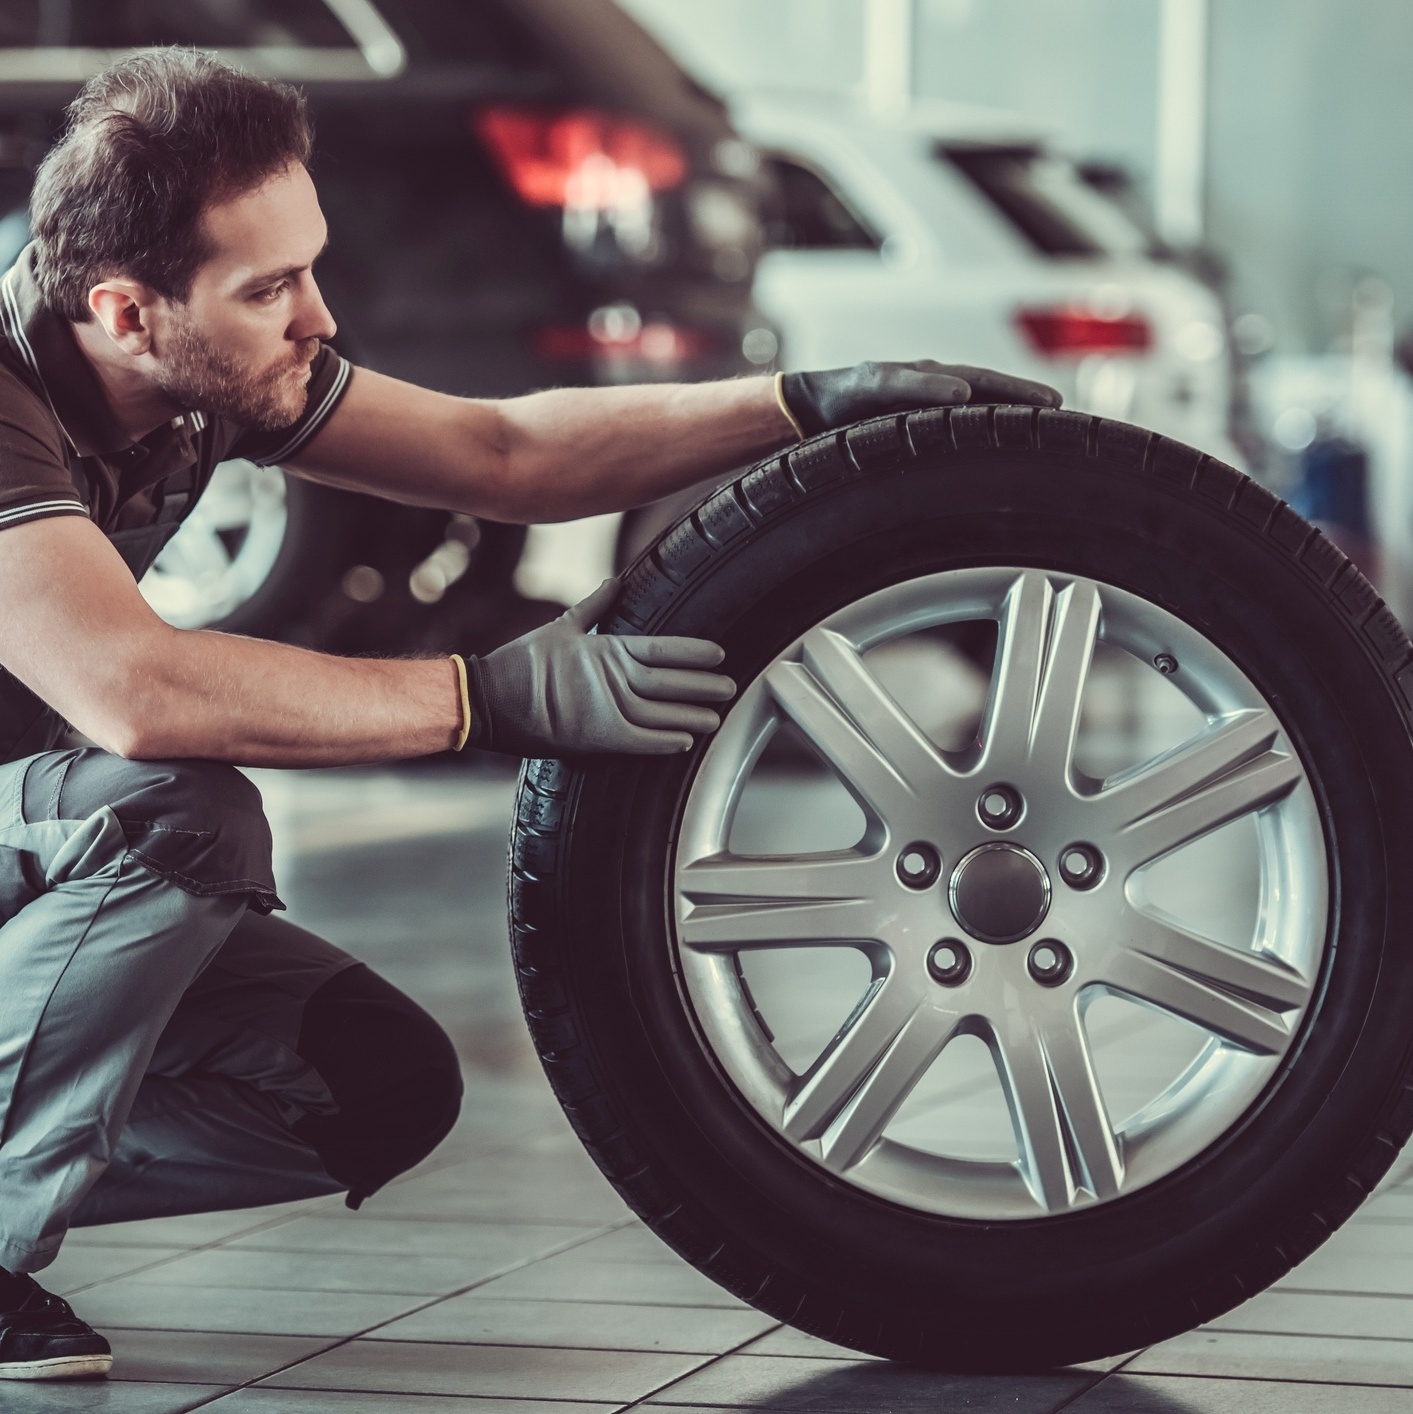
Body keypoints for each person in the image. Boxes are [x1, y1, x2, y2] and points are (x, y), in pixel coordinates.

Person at [0, 49, 1060, 1379]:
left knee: (364, 1085)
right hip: (45, 823)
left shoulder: (189, 374)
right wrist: (484, 695)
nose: (317, 315)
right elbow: (134, 690)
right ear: (126, 308)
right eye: (270, 287)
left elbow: (502, 456)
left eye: (309, 267)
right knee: (172, 811)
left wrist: (796, 407)